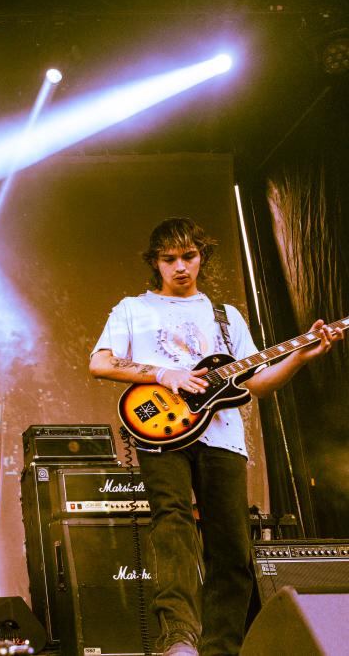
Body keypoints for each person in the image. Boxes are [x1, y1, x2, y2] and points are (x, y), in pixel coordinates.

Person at [89, 218, 342, 656]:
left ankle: (221, 649)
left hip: (223, 438)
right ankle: (180, 641)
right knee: (173, 531)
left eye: (189, 256)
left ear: (202, 256)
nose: (181, 267)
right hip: (162, 432)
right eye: (170, 259)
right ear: (155, 263)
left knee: (232, 549)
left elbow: (258, 383)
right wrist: (164, 373)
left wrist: (304, 354)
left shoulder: (226, 316)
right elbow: (100, 361)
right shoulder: (133, 308)